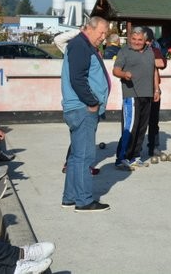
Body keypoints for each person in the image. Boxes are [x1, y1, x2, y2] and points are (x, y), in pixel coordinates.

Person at [61, 16, 111, 212]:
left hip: (78, 108)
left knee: (75, 156)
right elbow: (77, 79)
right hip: (82, 109)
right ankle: (83, 201)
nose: (104, 37)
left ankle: (70, 197)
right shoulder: (80, 45)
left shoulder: (81, 45)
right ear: (90, 29)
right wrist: (91, 102)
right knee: (84, 157)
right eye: (102, 32)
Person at [54, 28, 100, 175]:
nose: (102, 37)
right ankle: (71, 165)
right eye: (100, 33)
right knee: (79, 139)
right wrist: (79, 32)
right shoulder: (76, 47)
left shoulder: (92, 49)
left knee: (84, 138)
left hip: (92, 103)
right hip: (81, 104)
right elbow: (58, 40)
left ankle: (80, 166)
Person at [113, 27, 159, 168]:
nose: (137, 42)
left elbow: (154, 71)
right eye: (134, 39)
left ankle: (135, 156)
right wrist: (124, 74)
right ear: (130, 39)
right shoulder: (124, 51)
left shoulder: (150, 52)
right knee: (131, 127)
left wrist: (156, 90)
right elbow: (116, 70)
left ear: (145, 41)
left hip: (148, 94)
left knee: (141, 128)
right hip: (131, 95)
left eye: (140, 40)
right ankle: (122, 159)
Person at [145, 28, 167, 157]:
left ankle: (154, 146)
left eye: (148, 41)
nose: (146, 43)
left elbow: (162, 63)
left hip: (154, 90)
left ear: (152, 41)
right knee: (138, 122)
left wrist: (148, 61)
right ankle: (133, 149)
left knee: (154, 121)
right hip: (137, 90)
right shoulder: (133, 51)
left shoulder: (155, 51)